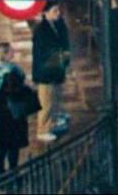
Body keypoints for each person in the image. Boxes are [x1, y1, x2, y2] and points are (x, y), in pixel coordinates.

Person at [32, 8, 72, 141]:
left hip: (55, 71)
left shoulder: (56, 25)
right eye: (55, 11)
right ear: (46, 13)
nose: (58, 13)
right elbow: (45, 52)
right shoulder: (41, 30)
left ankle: (52, 122)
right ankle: (42, 129)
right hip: (46, 72)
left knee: (54, 98)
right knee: (46, 102)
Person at [0, 42, 32, 175]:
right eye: (11, 51)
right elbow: (16, 90)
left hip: (1, 112)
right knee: (14, 141)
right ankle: (13, 169)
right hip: (13, 111)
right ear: (6, 54)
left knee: (3, 138)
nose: (14, 53)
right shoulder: (12, 71)